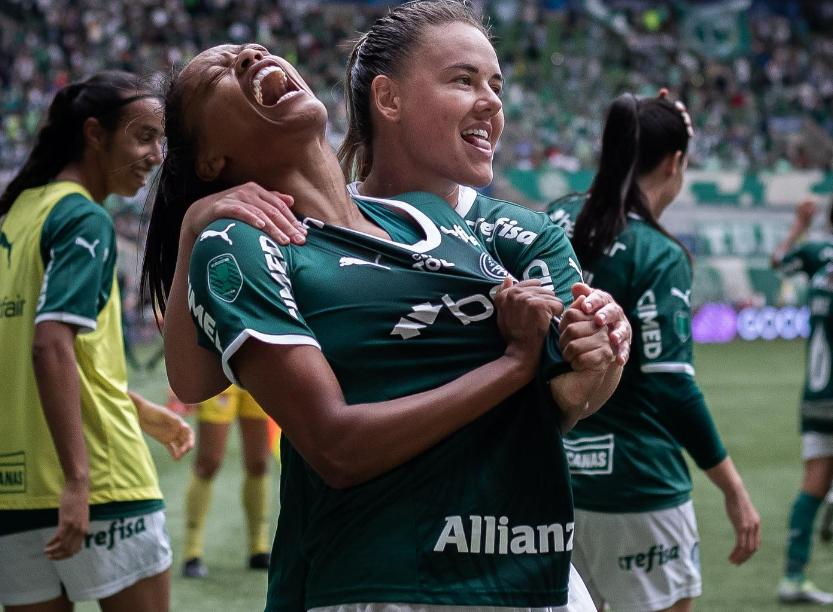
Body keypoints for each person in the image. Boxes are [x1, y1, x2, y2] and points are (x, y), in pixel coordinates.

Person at [141, 36, 629, 611]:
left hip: (528, 573)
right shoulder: (248, 240)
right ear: (209, 162)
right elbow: (332, 443)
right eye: (216, 73)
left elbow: (560, 400)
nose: (249, 53)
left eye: (496, 84)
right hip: (387, 583)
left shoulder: (434, 219)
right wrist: (515, 363)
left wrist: (599, 345)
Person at [547, 91, 761, 612]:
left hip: (556, 483)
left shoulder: (552, 218)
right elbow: (672, 387)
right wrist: (733, 489)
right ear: (675, 163)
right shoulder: (658, 253)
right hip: (639, 489)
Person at [0, 71, 193, 612]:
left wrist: (142, 413)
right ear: (94, 133)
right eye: (144, 135)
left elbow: (27, 357)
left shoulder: (14, 219)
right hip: (103, 489)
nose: (156, 154)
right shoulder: (84, 217)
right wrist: (78, 481)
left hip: (13, 496)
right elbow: (49, 346)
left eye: (162, 139)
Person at [771, 195, 833, 603]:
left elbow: (778, 261)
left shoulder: (818, 255)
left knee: (813, 483)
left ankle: (792, 577)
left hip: (816, 395)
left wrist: (799, 224)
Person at [182, 385, 272, 578]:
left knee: (259, 463)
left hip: (260, 366)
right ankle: (192, 552)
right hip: (220, 368)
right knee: (209, 462)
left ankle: (259, 548)